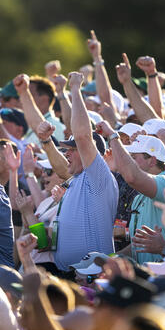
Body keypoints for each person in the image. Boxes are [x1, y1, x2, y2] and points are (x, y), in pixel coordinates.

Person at [47, 72, 118, 270]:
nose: (67, 154)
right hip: (70, 274)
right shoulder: (76, 179)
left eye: (72, 150)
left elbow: (83, 136)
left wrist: (75, 89)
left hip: (92, 275)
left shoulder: (98, 176)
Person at [97, 123, 165, 264]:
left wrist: (112, 136)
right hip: (149, 274)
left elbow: (132, 177)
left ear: (152, 160)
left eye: (134, 157)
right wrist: (110, 260)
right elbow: (137, 245)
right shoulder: (139, 197)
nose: (130, 162)